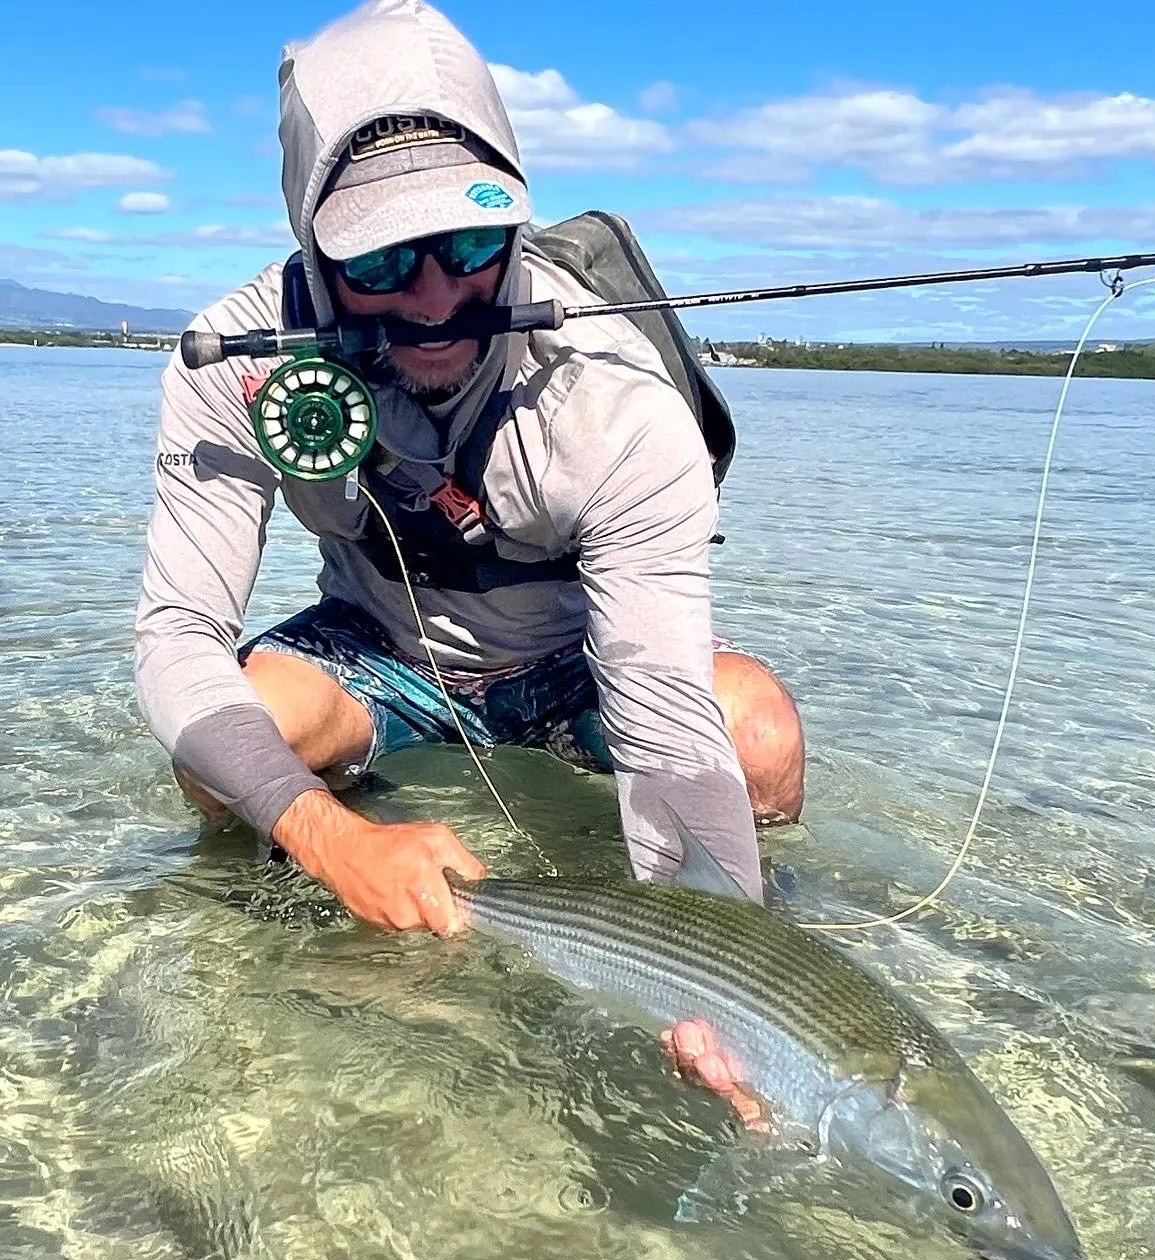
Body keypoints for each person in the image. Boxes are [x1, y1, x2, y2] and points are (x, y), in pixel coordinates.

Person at [135, 0, 804, 942]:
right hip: (381, 651)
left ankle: (745, 922)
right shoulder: (234, 365)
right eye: (381, 255)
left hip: (580, 663)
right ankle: (291, 924)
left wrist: (726, 968)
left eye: (472, 242)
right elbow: (176, 640)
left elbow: (661, 714)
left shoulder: (619, 394)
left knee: (756, 736)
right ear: (313, 240)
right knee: (216, 755)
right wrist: (336, 842)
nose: (438, 297)